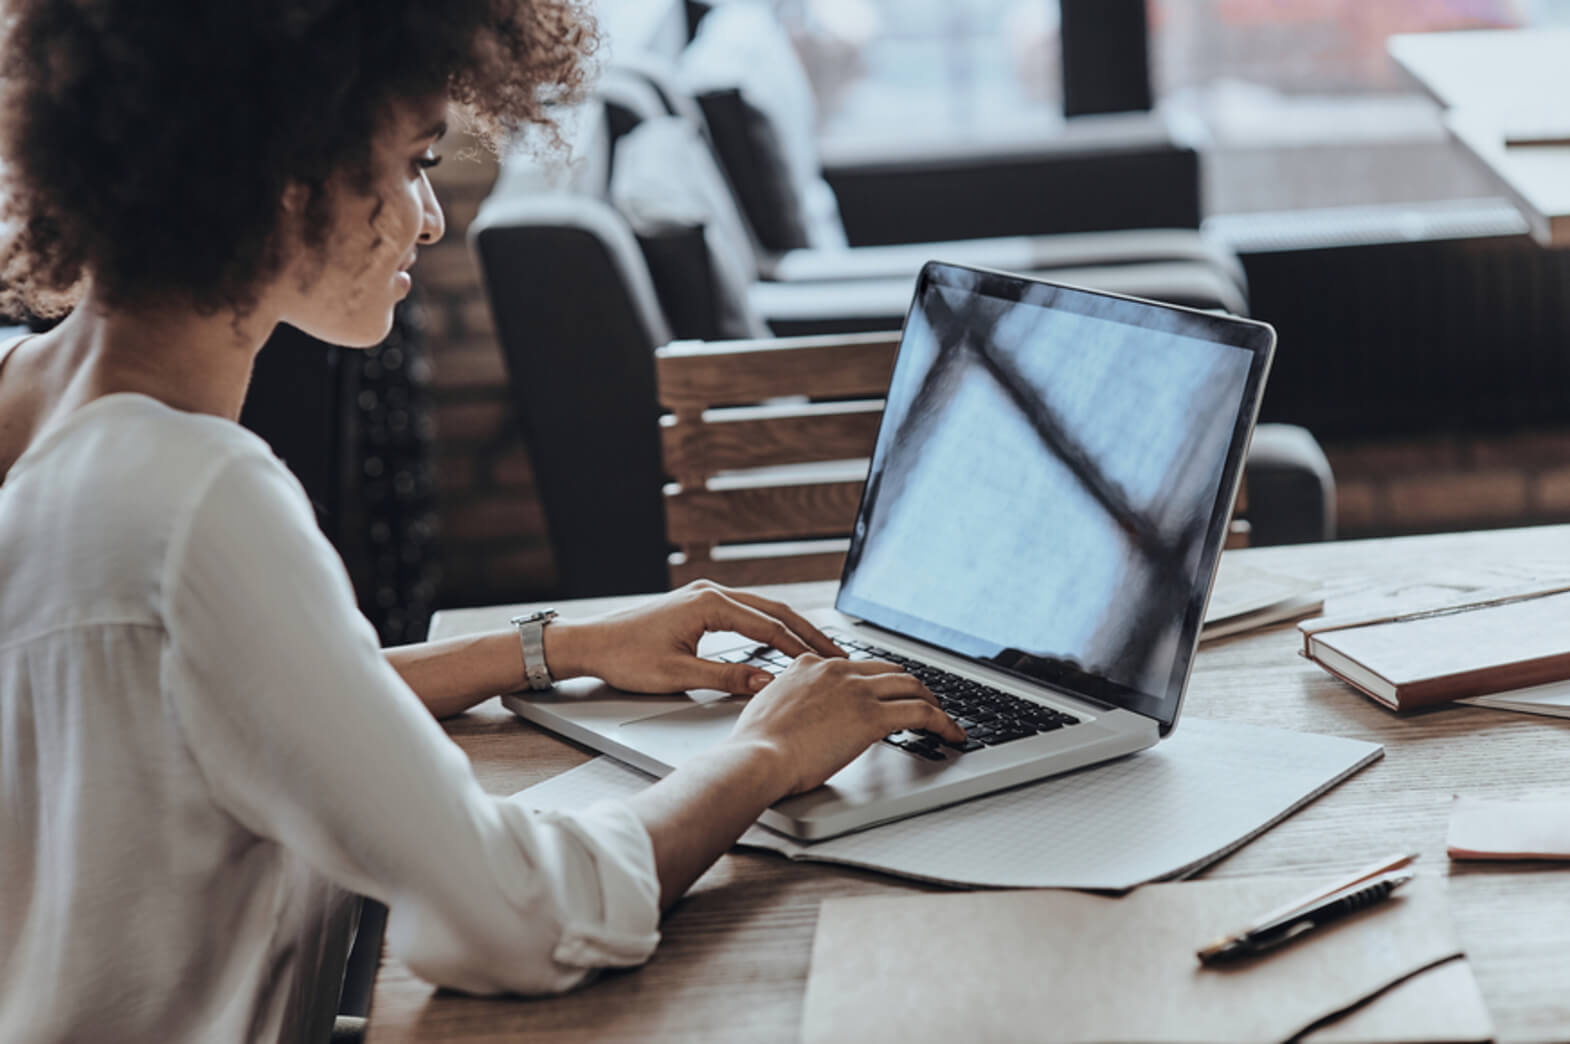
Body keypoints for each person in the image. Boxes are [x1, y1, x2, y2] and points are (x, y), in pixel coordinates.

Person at [0, 2, 963, 1041]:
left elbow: (237, 694)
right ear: (284, 173)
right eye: (412, 161)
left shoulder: (34, 402)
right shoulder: (196, 496)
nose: (431, 216)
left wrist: (554, 647)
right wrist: (769, 751)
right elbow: (519, 921)